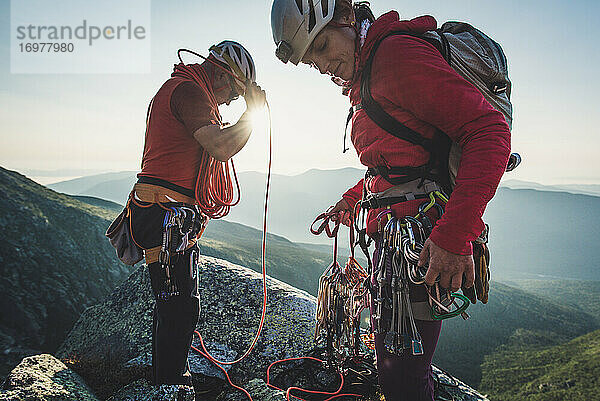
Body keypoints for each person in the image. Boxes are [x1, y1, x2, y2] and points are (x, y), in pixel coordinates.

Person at [270, 1, 510, 400]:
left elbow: (489, 131)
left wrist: (454, 237)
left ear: (346, 18)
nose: (321, 64)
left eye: (322, 45)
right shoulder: (369, 73)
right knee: (397, 369)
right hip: (401, 243)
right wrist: (353, 201)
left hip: (420, 248)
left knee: (403, 377)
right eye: (312, 60)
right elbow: (398, 163)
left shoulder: (394, 57)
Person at [127, 40, 266, 399]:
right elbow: (220, 146)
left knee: (176, 301)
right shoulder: (189, 92)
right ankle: (171, 386)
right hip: (165, 214)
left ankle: (170, 379)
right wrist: (252, 113)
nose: (230, 101)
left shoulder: (187, 89)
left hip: (163, 212)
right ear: (222, 73)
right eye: (233, 92)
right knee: (179, 304)